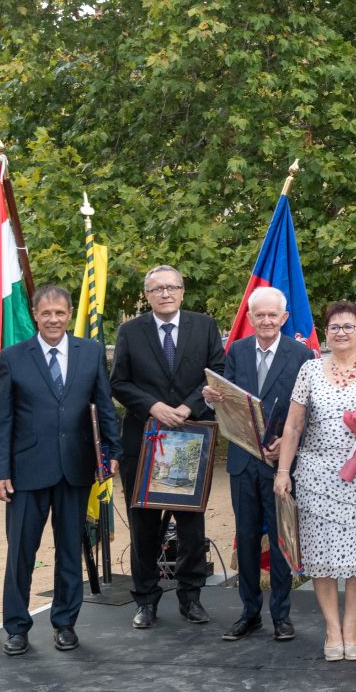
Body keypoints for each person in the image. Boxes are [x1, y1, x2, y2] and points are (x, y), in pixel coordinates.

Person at [0, 285, 120, 656]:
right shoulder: (14, 357)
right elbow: (0, 421)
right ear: (35, 315)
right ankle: (16, 627)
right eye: (46, 314)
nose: (54, 320)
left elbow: (104, 405)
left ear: (69, 312)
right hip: (26, 473)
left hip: (76, 470)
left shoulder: (90, 352)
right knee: (21, 556)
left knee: (68, 554)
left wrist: (112, 450)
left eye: (60, 313)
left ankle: (65, 624)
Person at [274, 301, 356, 661]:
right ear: (326, 333)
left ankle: (352, 627)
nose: (340, 332)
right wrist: (283, 471)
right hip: (317, 475)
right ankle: (331, 629)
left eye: (348, 326)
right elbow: (293, 426)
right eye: (334, 327)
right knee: (320, 556)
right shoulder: (309, 370)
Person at [111, 264, 225, 630]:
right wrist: (153, 406)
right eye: (157, 289)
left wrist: (189, 406)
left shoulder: (204, 326)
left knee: (190, 525)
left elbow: (216, 371)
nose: (165, 293)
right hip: (144, 441)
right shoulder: (130, 331)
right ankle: (145, 600)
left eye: (171, 287)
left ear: (182, 291)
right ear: (147, 296)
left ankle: (190, 598)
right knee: (144, 525)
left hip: (189, 438)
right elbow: (119, 382)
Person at [204, 286, 314, 644]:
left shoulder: (301, 354)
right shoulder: (235, 351)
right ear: (250, 319)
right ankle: (249, 613)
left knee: (282, 538)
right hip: (242, 462)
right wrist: (213, 399)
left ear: (284, 318)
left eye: (273, 315)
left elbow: (311, 409)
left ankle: (281, 614)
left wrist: (289, 442)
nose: (266, 321)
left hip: (280, 463)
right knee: (248, 538)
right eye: (259, 315)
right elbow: (231, 402)